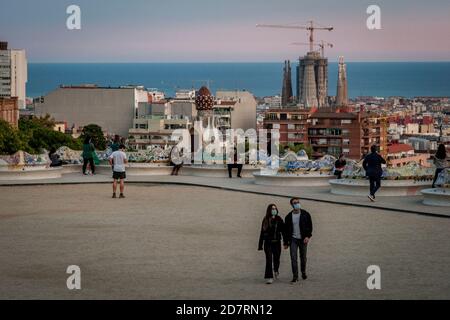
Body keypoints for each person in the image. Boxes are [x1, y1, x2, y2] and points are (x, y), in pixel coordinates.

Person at [283, 198, 313, 284]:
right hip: (293, 239)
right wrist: (285, 242)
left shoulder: (305, 214)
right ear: (292, 205)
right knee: (293, 258)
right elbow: (286, 231)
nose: (297, 204)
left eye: (298, 202)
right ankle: (295, 277)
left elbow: (310, 226)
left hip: (303, 239)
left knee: (303, 258)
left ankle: (303, 272)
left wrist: (308, 236)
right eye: (294, 203)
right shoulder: (288, 217)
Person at [258, 204, 285, 284]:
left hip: (277, 243)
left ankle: (276, 269)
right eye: (272, 208)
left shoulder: (279, 219)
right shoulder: (265, 219)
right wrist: (260, 245)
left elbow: (283, 230)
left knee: (276, 259)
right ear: (269, 210)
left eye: (275, 208)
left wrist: (285, 242)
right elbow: (262, 232)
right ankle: (269, 277)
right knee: (269, 260)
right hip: (268, 243)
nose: (274, 210)